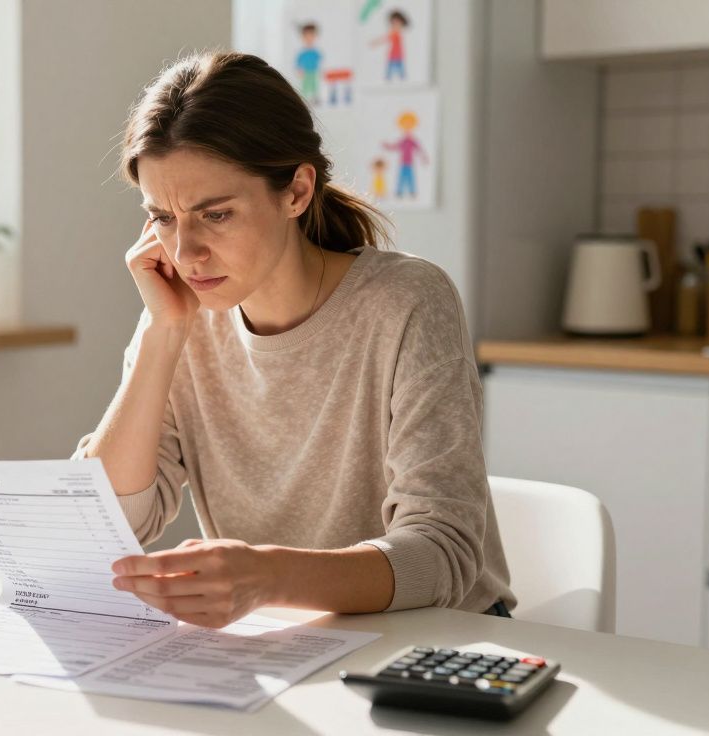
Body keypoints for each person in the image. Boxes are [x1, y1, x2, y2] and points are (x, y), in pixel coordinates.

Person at [76, 51, 513, 630]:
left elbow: (441, 555)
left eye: (216, 215)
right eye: (162, 217)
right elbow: (108, 523)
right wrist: (162, 334)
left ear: (297, 191)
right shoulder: (181, 312)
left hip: (440, 640)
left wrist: (270, 576)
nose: (185, 253)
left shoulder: (406, 301)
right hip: (289, 639)